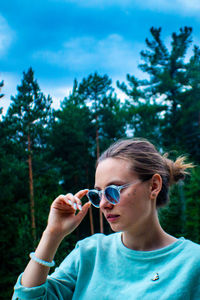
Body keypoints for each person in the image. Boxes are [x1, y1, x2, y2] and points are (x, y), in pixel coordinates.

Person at [13, 138, 200, 299]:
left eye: (113, 191)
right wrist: (52, 234)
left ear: (153, 186)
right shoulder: (89, 254)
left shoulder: (192, 263)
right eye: (97, 194)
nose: (103, 204)